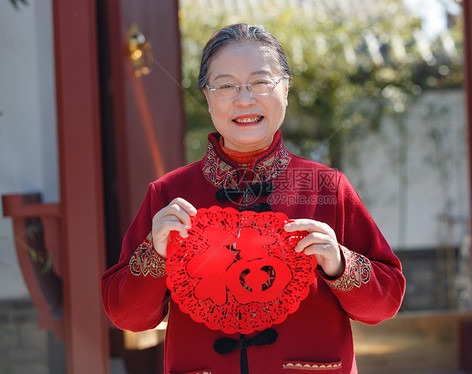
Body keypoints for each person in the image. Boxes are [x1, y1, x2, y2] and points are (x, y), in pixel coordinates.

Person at [101, 23, 405, 374]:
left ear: (286, 88)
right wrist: (155, 252)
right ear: (207, 95)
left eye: (261, 82)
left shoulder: (326, 188)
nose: (244, 99)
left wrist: (338, 262)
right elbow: (127, 315)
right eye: (227, 85)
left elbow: (384, 304)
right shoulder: (169, 195)